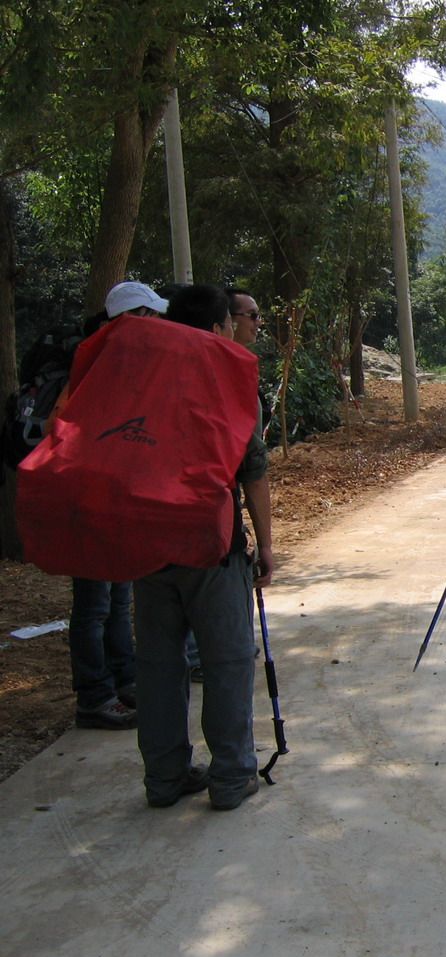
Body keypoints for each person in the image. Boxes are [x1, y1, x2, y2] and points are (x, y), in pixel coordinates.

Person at [133, 284, 273, 809]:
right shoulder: (223, 379)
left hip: (149, 542)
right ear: (217, 328)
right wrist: (266, 545)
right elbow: (251, 470)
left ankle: (164, 778)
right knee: (227, 660)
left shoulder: (141, 377)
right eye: (235, 321)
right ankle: (232, 777)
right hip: (210, 543)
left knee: (159, 665)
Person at [58, 283, 170, 730]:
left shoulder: (130, 363)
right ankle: (95, 696)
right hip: (89, 501)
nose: (159, 325)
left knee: (119, 597)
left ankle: (125, 681)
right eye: (153, 316)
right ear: (133, 318)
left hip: (118, 499)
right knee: (94, 604)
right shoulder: (94, 363)